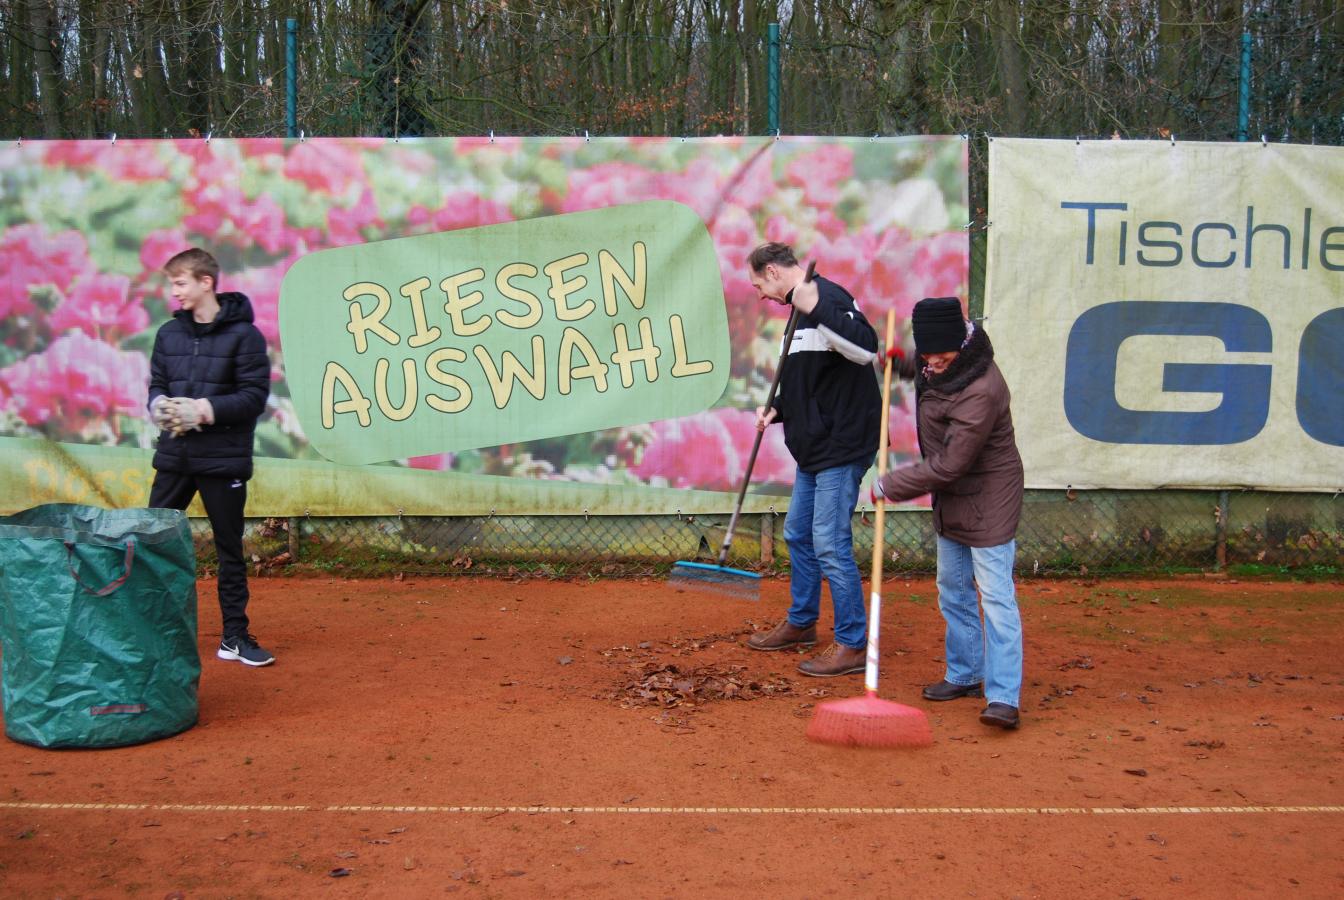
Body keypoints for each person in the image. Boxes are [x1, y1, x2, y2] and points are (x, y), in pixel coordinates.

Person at [872, 296, 1025, 728]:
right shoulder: (942, 365)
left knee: (995, 597)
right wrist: (902, 365)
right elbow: (931, 374)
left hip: (989, 497)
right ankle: (965, 672)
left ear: (962, 345)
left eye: (943, 357)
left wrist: (889, 485)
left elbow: (951, 464)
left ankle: (1004, 696)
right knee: (952, 589)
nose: (934, 364)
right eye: (929, 357)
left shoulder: (982, 389)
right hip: (952, 495)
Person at [744, 242, 881, 677]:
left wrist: (816, 307)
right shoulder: (797, 312)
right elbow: (811, 383)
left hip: (841, 445)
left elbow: (865, 350)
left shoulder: (828, 298)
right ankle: (802, 623)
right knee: (798, 533)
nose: (759, 295)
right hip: (814, 448)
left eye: (758, 286)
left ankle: (852, 644)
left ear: (772, 271)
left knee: (829, 542)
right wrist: (778, 408)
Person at [147, 247, 274, 667]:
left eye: (180, 282)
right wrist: (159, 406)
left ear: (206, 282)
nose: (174, 291)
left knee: (228, 550)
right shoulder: (168, 334)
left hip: (222, 462)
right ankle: (148, 632)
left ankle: (234, 637)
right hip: (174, 458)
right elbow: (157, 384)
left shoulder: (246, 336)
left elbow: (253, 398)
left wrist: (203, 410)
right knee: (150, 542)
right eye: (172, 284)